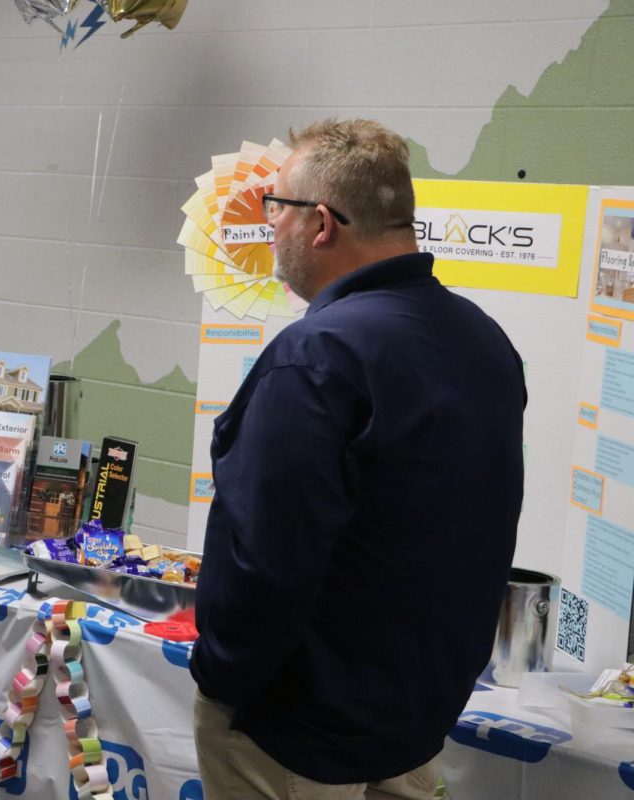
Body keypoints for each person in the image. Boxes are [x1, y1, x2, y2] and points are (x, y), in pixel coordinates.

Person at [190, 118, 527, 800]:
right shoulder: (484, 343)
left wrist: (222, 682)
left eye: (273, 208)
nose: (269, 227)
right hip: (410, 727)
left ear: (320, 224)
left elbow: (268, 557)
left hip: (292, 736)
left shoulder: (317, 356)